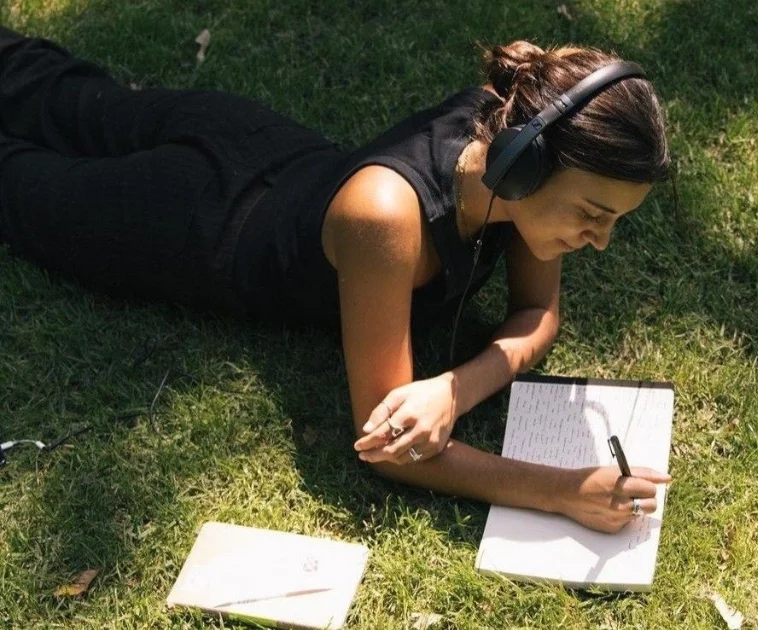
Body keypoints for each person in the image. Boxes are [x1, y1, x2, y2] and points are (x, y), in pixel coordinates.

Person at [0, 28, 672, 533]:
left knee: (52, 90)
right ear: (523, 162)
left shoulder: (510, 150)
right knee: (24, 160)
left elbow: (538, 312)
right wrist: (562, 491)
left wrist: (453, 387)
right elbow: (388, 449)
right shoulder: (386, 219)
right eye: (592, 213)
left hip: (259, 146)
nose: (601, 239)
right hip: (190, 218)